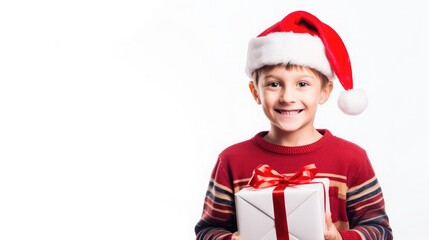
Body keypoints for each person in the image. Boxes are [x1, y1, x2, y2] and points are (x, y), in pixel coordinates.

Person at [194, 10, 393, 240]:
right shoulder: (231, 161)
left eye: (302, 84)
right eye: (274, 84)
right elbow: (207, 230)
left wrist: (342, 239)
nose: (288, 96)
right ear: (255, 92)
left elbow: (380, 231)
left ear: (325, 91)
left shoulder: (351, 159)